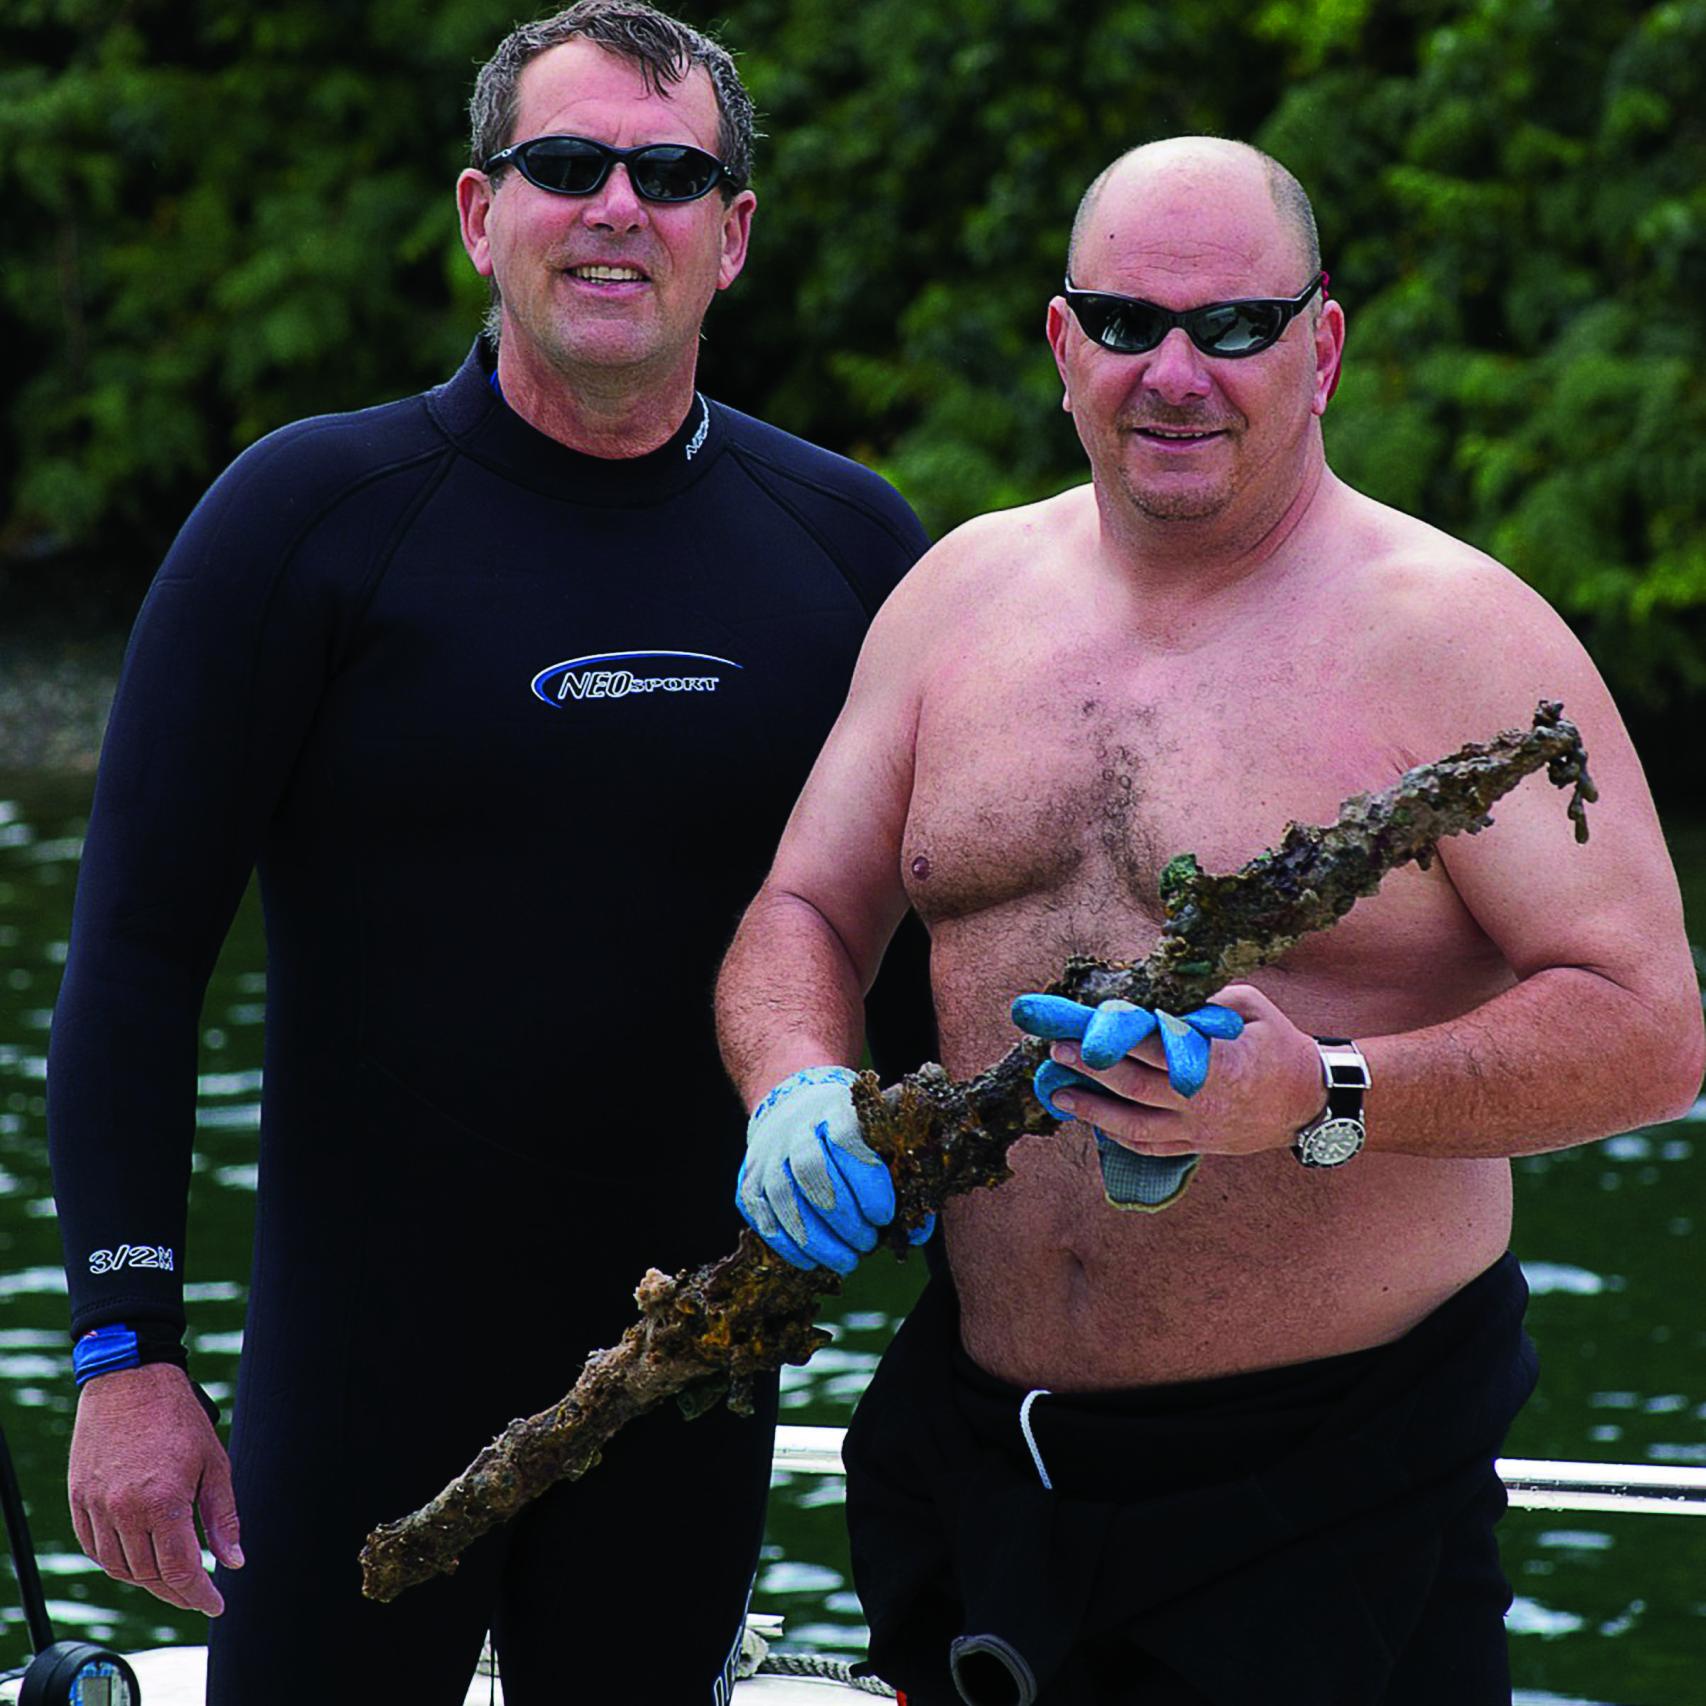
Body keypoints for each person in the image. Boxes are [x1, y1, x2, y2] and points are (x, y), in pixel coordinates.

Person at [716, 137, 1704, 1705]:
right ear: (1061, 347)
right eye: (1124, 322)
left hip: (1328, 1499)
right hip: (978, 1473)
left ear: (1318, 345)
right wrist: (793, 1082)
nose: (1175, 371)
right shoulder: (956, 601)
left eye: (1232, 326)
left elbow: (1651, 1030)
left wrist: (1324, 1094)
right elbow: (803, 911)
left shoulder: (1455, 633)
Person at [47, 5, 933, 1701]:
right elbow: (138, 956)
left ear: (730, 236)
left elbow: (923, 972)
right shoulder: (301, 523)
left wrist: (991, 1347)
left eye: (670, 172)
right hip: (360, 1379)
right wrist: (126, 1352)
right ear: (479, 212)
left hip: (695, 1367)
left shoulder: (848, 548)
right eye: (567, 163)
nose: (618, 203)